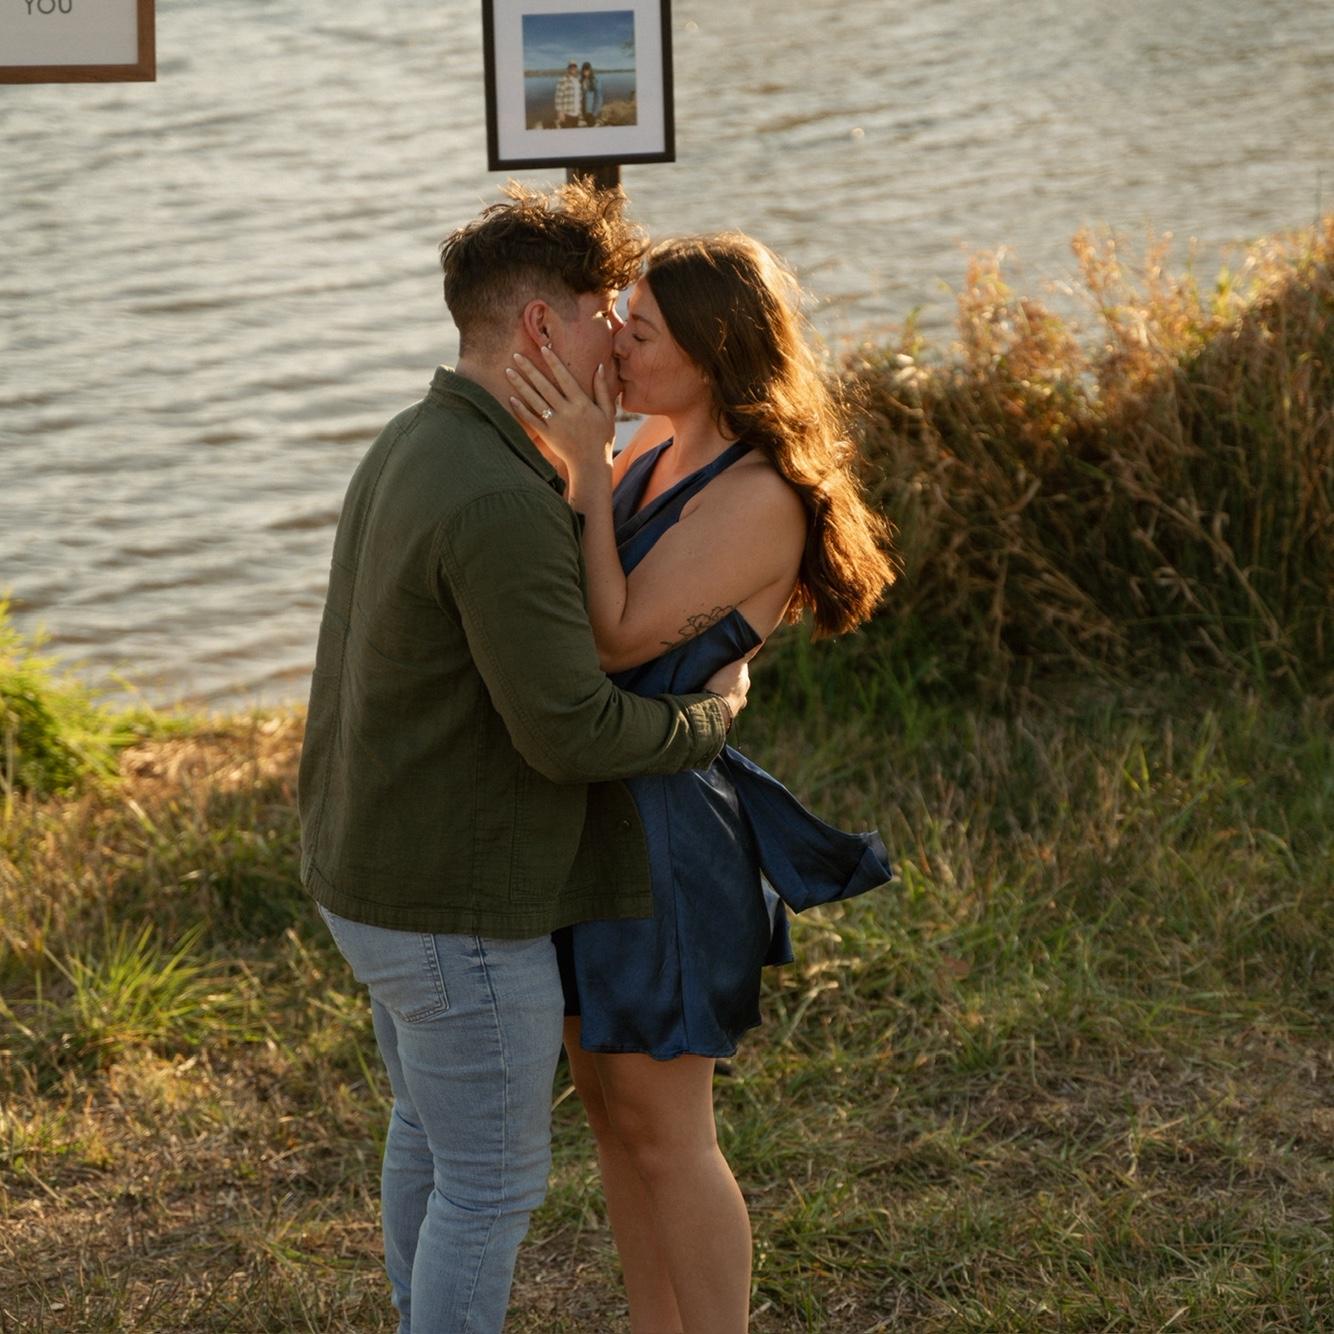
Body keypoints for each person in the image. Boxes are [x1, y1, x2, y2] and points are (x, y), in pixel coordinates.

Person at [297, 184, 752, 1334]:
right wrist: (706, 720)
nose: (620, 344)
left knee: (427, 1132)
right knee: (491, 1185)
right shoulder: (500, 496)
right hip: (453, 913)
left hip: (370, 876)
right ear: (542, 326)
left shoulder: (416, 439)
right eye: (606, 316)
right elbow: (571, 731)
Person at [507, 232, 896, 1334]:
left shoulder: (758, 492)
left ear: (712, 350)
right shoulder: (652, 448)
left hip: (667, 836)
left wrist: (586, 472)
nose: (616, 349)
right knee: (609, 1111)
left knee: (668, 1132)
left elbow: (615, 635)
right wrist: (582, 460)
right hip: (598, 811)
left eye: (639, 333)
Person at [554, 59, 582, 128]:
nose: (573, 68)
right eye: (571, 66)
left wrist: (580, 111)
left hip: (576, 114)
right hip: (567, 114)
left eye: (574, 66)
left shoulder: (577, 80)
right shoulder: (563, 80)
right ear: (568, 68)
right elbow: (558, 97)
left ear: (576, 68)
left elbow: (579, 97)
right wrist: (560, 112)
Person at [581, 61, 604, 125]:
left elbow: (599, 99)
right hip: (584, 112)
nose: (585, 71)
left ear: (590, 70)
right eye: (584, 69)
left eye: (587, 69)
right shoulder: (582, 80)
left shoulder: (595, 81)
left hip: (592, 113)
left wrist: (594, 114)